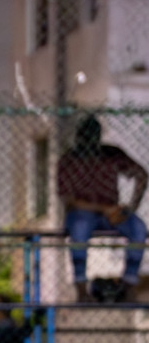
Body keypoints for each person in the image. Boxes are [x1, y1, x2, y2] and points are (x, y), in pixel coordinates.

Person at [56, 115, 147, 303]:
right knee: (80, 227)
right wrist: (104, 208)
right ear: (79, 137)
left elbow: (141, 175)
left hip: (110, 211)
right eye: (86, 136)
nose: (90, 141)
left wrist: (131, 207)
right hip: (83, 211)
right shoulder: (69, 159)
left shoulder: (110, 154)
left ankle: (128, 285)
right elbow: (69, 201)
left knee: (138, 228)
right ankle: (81, 288)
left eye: (93, 136)